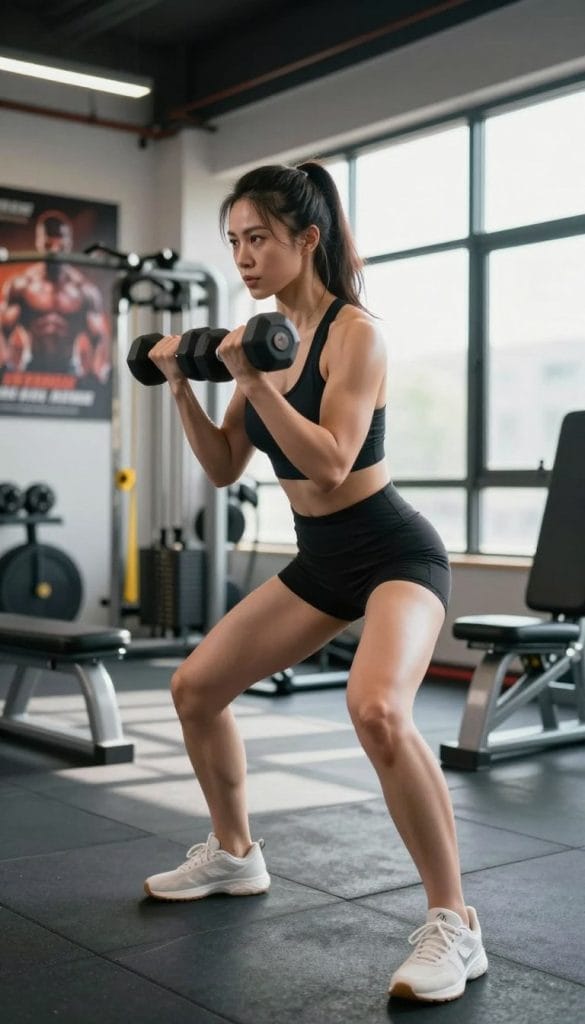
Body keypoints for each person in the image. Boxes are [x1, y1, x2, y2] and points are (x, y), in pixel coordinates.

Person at [143, 162, 488, 1004]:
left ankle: (455, 924)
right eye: (233, 241)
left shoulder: (354, 334)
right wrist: (185, 386)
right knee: (195, 687)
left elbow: (332, 464)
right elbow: (226, 468)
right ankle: (234, 854)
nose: (243, 257)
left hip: (394, 553)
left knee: (375, 708)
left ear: (306, 239)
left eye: (257, 238)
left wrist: (251, 377)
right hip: (320, 561)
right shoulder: (256, 336)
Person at [0, 209, 111, 378]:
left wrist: (95, 375)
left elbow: (100, 337)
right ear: (39, 242)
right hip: (29, 368)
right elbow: (2, 328)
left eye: (60, 246)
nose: (54, 251)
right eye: (48, 245)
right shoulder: (21, 286)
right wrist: (5, 365)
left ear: (69, 243)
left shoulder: (85, 291)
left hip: (71, 371)